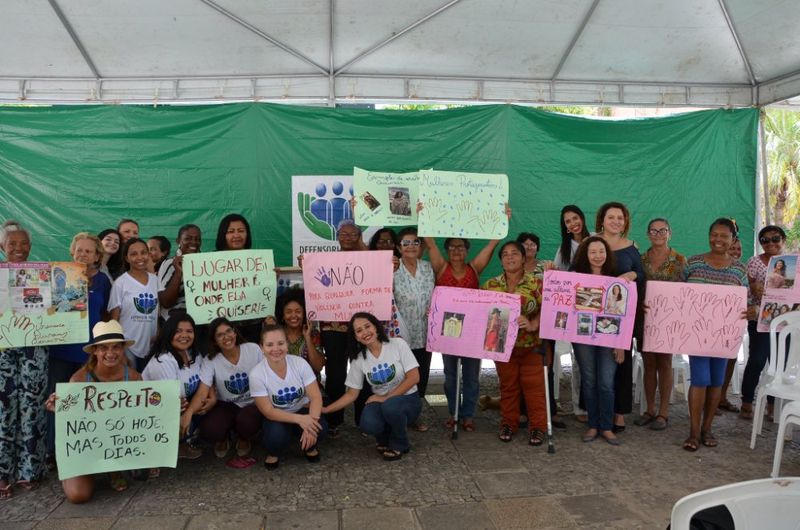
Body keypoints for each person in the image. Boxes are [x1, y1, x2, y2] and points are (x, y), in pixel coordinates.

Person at [423, 204, 510, 432]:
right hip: (448, 332)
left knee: (471, 376)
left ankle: (468, 415)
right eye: (452, 248)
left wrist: (503, 220)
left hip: (472, 333)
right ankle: (454, 412)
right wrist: (423, 214)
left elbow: (493, 244)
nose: (456, 251)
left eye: (461, 247)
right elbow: (429, 242)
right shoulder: (441, 267)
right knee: (451, 376)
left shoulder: (475, 268)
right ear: (447, 251)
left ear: (467, 250)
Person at [44, 320, 140, 503]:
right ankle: (74, 471)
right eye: (103, 348)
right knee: (77, 495)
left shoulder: (133, 377)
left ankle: (113, 469)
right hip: (86, 449)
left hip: (116, 443)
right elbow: (71, 419)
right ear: (95, 351)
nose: (110, 353)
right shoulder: (79, 379)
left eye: (116, 347)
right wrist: (58, 409)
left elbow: (143, 416)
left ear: (122, 350)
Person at [681, 218, 748, 452]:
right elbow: (678, 295)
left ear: (733, 239)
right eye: (714, 234)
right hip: (697, 334)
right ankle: (693, 431)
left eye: (724, 236)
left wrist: (751, 309)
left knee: (717, 380)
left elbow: (745, 301)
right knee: (700, 379)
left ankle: (707, 429)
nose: (718, 239)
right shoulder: (694, 263)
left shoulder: (739, 270)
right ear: (709, 235)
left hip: (724, 336)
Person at [47, 233, 113, 467]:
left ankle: (86, 450)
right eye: (79, 250)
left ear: (97, 256)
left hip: (89, 353)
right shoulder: (57, 275)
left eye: (88, 251)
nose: (83, 254)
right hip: (60, 351)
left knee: (87, 402)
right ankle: (54, 453)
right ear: (72, 251)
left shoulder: (104, 281)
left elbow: (105, 314)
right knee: (57, 402)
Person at [322, 313, 422, 461]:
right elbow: (351, 394)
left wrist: (385, 398)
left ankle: (400, 443)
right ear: (356, 337)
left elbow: (414, 377)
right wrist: (325, 410)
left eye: (367, 326)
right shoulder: (359, 360)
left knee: (391, 406)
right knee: (368, 425)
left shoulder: (397, 344)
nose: (365, 332)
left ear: (376, 326)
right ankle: (384, 439)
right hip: (382, 401)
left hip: (408, 399)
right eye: (359, 330)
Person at [0, 220, 48, 499]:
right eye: (12, 244)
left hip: (35, 347)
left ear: (30, 246)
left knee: (33, 406)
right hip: (3, 349)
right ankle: (3, 472)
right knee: (4, 410)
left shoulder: (43, 274)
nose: (18, 248)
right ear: (3, 246)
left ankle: (31, 470)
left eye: (23, 243)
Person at [482, 241, 548, 446]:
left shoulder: (536, 283)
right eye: (505, 255)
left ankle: (538, 427)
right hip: (501, 347)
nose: (510, 257)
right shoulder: (490, 285)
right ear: (501, 260)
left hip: (530, 345)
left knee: (534, 388)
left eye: (515, 254)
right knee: (508, 387)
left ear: (523, 257)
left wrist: (532, 324)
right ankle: (508, 422)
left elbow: (548, 309)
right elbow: (478, 312)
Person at [570, 236, 624, 445]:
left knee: (606, 382)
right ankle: (593, 425)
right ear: (585, 254)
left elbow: (623, 315)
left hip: (609, 336)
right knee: (590, 380)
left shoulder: (617, 280)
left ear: (607, 253)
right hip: (582, 336)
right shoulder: (576, 277)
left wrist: (620, 344)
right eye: (593, 252)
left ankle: (607, 427)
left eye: (601, 251)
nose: (597, 256)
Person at [184, 317, 262, 459]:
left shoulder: (253, 349)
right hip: (226, 404)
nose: (226, 337)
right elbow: (202, 392)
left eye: (228, 331)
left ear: (235, 332)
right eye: (220, 335)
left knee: (247, 422)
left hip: (252, 402)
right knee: (210, 430)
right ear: (214, 340)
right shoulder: (210, 360)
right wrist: (189, 413)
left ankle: (243, 436)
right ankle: (224, 436)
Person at [597, 201, 644, 433]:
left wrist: (632, 273)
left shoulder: (631, 247)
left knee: (622, 363)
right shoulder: (592, 243)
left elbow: (642, 275)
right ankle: (595, 412)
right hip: (594, 315)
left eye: (620, 218)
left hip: (622, 316)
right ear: (602, 220)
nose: (616, 221)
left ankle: (619, 412)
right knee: (594, 365)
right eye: (611, 217)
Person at [143, 313, 215, 464]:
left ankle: (183, 441)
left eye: (189, 331)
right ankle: (159, 451)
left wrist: (212, 397)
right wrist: (194, 407)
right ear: (169, 333)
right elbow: (175, 402)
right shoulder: (163, 360)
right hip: (153, 411)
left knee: (208, 407)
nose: (184, 335)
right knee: (183, 409)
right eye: (178, 331)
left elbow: (205, 383)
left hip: (182, 404)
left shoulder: (191, 353)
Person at [636, 218, 686, 431]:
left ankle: (663, 412)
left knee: (665, 364)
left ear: (670, 233)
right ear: (648, 234)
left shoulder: (680, 260)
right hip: (646, 318)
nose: (658, 234)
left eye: (662, 230)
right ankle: (650, 409)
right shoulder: (640, 259)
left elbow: (685, 291)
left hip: (669, 320)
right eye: (654, 231)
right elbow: (636, 287)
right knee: (648, 364)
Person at [251, 325, 325, 469]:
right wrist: (301, 420)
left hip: (301, 408)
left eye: (280, 343)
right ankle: (274, 451)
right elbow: (268, 411)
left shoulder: (300, 363)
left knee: (321, 428)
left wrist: (311, 424)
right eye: (269, 345)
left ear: (287, 344)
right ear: (261, 347)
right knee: (275, 438)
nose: (276, 349)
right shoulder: (256, 374)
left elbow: (316, 396)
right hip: (277, 415)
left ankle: (309, 445)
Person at [740, 225, 787, 422]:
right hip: (760, 318)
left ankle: (772, 405)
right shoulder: (754, 262)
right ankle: (747, 401)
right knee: (757, 360)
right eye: (765, 240)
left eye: (775, 238)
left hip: (786, 321)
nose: (770, 243)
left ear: (783, 240)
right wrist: (755, 288)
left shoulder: (794, 263)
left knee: (780, 365)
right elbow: (746, 289)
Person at [392, 227, 435, 431]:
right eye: (406, 243)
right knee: (402, 376)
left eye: (415, 242)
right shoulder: (392, 268)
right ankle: (397, 414)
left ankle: (415, 415)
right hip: (401, 336)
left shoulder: (428, 267)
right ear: (398, 248)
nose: (411, 246)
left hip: (426, 334)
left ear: (421, 246)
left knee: (422, 376)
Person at [108, 238, 161, 372]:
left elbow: (159, 313)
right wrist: (118, 348)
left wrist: (158, 334)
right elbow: (114, 320)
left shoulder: (156, 281)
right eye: (134, 254)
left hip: (151, 345)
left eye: (143, 252)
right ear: (126, 258)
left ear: (149, 255)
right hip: (128, 346)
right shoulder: (120, 283)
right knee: (131, 385)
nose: (140, 257)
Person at [215, 213, 263, 343]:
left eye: (241, 231)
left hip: (253, 328)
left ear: (247, 235)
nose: (236, 235)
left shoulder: (258, 261)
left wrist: (270, 280)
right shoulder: (210, 264)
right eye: (230, 231)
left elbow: (263, 294)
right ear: (223, 235)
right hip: (221, 329)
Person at [274, 288, 325, 376]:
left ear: (304, 314)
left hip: (309, 386)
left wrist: (308, 338)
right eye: (288, 312)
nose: (293, 315)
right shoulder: (276, 334)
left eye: (298, 311)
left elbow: (318, 367)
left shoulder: (313, 334)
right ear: (282, 316)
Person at [158, 224, 202, 323]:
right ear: (178, 241)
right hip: (175, 323)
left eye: (197, 239)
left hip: (200, 323)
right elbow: (166, 302)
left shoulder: (207, 265)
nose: (193, 242)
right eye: (188, 239)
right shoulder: (169, 264)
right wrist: (178, 273)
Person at [554, 205, 591, 271]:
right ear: (565, 226)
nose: (573, 223)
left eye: (575, 218)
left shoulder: (595, 237)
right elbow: (557, 271)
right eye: (568, 222)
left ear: (581, 218)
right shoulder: (563, 249)